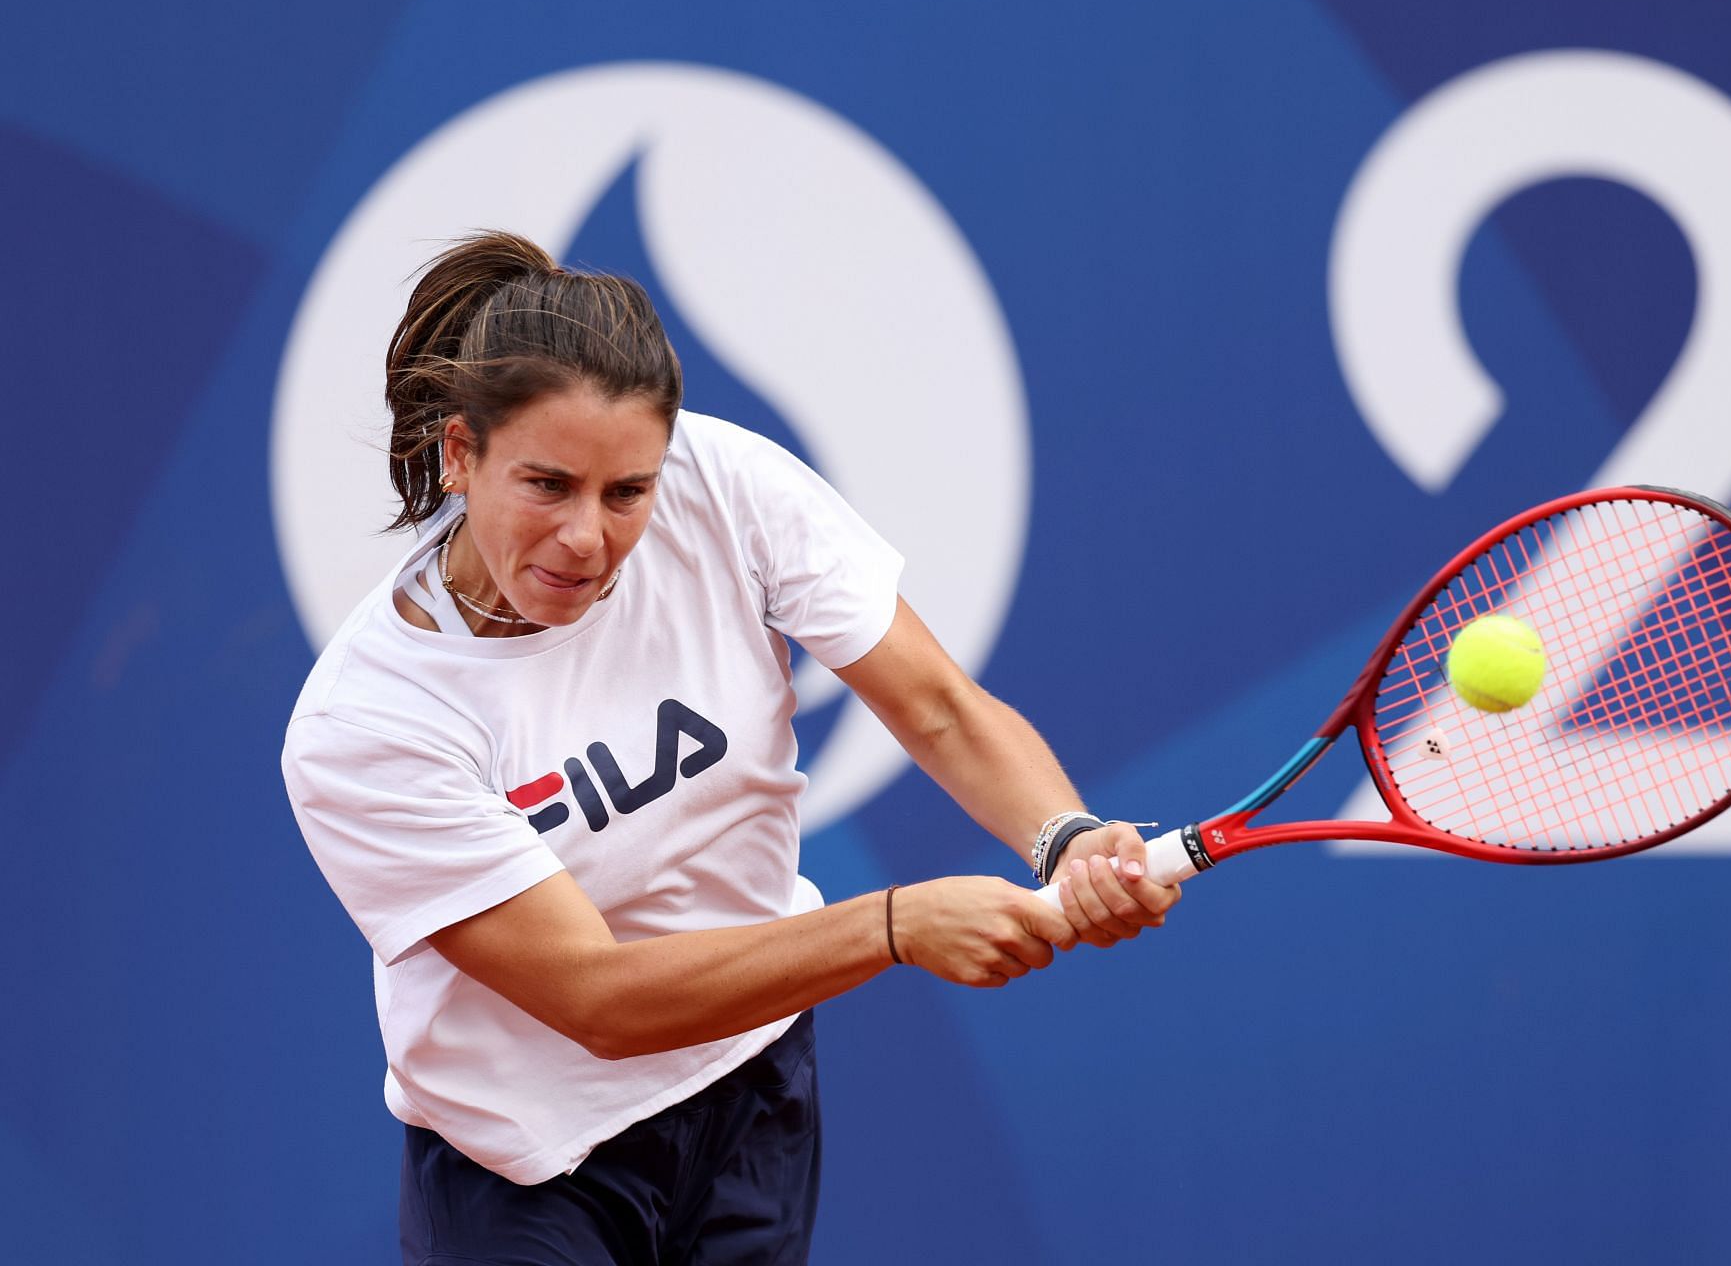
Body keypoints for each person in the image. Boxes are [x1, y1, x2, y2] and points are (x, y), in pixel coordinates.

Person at [282, 231, 1179, 1265]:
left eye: (628, 492)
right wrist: (894, 923)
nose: (588, 535)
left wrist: (1063, 836)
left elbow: (939, 706)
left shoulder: (727, 486)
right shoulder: (368, 724)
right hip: (530, 1166)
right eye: (547, 484)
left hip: (752, 1096)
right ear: (459, 454)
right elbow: (597, 997)